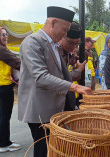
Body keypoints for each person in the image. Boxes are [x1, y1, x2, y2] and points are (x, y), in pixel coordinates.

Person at [18, 6, 92, 157]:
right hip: (39, 109)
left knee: (53, 148)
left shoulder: (55, 45)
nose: (65, 34)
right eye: (64, 30)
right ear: (52, 23)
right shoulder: (32, 42)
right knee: (43, 149)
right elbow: (41, 77)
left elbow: (62, 75)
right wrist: (74, 88)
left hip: (53, 107)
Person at [0, 27, 21, 152]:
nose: (6, 37)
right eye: (2, 35)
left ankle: (2, 140)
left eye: (6, 34)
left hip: (1, 85)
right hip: (4, 86)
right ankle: (4, 144)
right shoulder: (1, 50)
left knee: (1, 116)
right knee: (4, 116)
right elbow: (17, 63)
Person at [59, 22, 87, 110]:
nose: (74, 46)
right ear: (62, 37)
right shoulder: (56, 52)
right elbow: (59, 78)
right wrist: (79, 70)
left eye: (77, 43)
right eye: (71, 43)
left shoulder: (69, 54)